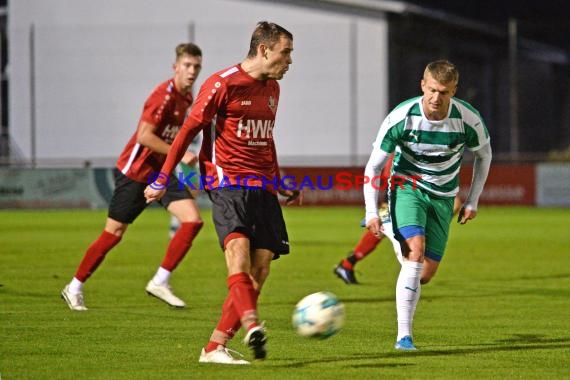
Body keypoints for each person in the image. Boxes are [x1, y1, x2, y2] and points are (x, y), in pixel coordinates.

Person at [144, 21, 301, 365]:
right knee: (238, 252)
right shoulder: (221, 83)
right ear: (264, 50)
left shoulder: (273, 88)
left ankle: (215, 346)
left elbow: (266, 138)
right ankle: (251, 323)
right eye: (285, 52)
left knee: (261, 268)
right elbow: (186, 132)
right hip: (226, 180)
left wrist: (278, 180)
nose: (290, 60)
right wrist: (162, 178)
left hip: (262, 185)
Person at [61, 43, 204, 311]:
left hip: (160, 173)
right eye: (187, 65)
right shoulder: (163, 96)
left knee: (193, 221)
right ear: (175, 67)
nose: (192, 71)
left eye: (196, 66)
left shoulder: (187, 98)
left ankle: (160, 281)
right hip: (135, 172)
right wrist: (179, 153)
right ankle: (74, 286)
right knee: (114, 233)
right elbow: (144, 136)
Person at [363, 60, 492, 351]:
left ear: (454, 91)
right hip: (407, 187)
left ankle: (388, 226)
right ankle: (404, 337)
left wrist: (472, 200)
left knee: (424, 274)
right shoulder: (401, 117)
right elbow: (373, 167)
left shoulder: (467, 119)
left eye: (444, 92)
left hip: (444, 196)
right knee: (416, 252)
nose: (436, 98)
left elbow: (484, 156)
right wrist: (371, 209)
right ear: (423, 85)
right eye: (432, 90)